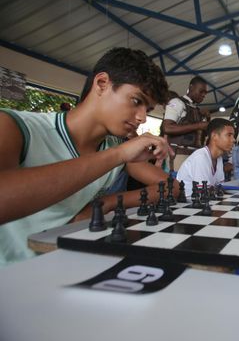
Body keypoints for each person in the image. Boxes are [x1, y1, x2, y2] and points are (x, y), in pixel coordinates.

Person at [0, 47, 173, 266]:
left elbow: (170, 187)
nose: (141, 118)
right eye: (136, 101)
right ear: (102, 84)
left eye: (147, 109)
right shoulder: (15, 127)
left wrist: (105, 202)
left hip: (71, 264)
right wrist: (118, 154)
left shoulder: (113, 146)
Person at [162, 76, 210, 170]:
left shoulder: (196, 109)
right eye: (201, 91)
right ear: (191, 87)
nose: (203, 95)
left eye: (205, 93)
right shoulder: (177, 103)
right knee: (178, 184)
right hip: (179, 154)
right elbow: (167, 128)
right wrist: (199, 125)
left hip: (194, 155)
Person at [176, 118, 235, 196]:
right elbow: (204, 194)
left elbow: (218, 188)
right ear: (214, 136)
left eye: (233, 136)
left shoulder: (219, 158)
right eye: (229, 135)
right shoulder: (200, 157)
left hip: (203, 203)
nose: (233, 140)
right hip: (188, 205)